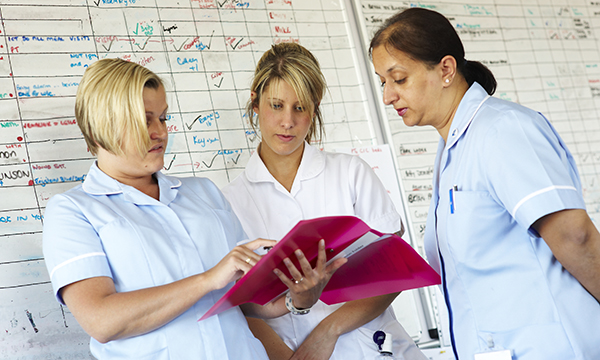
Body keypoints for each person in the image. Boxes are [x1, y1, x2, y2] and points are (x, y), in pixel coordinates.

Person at [41, 58, 346, 360]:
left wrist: (298, 298)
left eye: (162, 117)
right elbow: (102, 321)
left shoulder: (203, 192)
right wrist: (208, 279)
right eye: (145, 120)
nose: (160, 132)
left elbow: (249, 301)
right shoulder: (73, 211)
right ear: (101, 126)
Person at [369, 7, 600, 360]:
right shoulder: (452, 150)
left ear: (446, 69)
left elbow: (576, 237)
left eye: (398, 79)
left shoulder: (502, 129)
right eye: (382, 82)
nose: (387, 96)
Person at [221, 43, 427, 360]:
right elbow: (239, 307)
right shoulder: (228, 201)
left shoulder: (350, 173)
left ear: (314, 108)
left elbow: (394, 273)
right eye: (276, 105)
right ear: (256, 103)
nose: (287, 121)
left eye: (300, 108)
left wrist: (326, 333)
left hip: (373, 348)